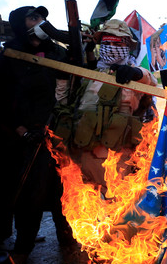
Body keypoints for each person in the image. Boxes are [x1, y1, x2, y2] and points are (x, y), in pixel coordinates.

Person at [0, 5, 78, 264]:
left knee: (63, 189)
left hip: (56, 131)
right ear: (21, 24)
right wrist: (21, 130)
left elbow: (77, 69)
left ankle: (67, 242)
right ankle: (22, 249)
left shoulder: (56, 52)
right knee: (29, 195)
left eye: (42, 17)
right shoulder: (10, 56)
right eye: (33, 17)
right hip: (23, 137)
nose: (40, 21)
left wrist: (70, 34)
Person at [67, 19, 157, 191]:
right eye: (107, 42)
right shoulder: (89, 74)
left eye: (118, 42)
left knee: (118, 209)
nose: (112, 46)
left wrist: (135, 73)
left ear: (128, 46)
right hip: (85, 154)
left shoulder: (135, 75)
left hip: (119, 158)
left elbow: (150, 82)